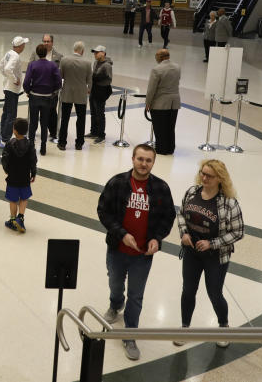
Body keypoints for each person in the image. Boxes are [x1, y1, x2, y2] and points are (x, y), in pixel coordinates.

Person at [96, 144, 176, 362]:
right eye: (140, 159)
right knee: (115, 283)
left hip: (142, 256)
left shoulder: (161, 188)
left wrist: (156, 239)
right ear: (132, 159)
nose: (144, 164)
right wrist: (121, 234)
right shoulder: (117, 183)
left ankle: (130, 335)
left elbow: (168, 217)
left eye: (148, 160)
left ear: (153, 162)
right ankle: (115, 304)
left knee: (136, 295)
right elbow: (103, 211)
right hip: (117, 249)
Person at [174, 159, 244, 348]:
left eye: (209, 176)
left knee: (215, 293)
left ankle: (223, 326)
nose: (204, 177)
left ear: (220, 179)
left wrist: (212, 243)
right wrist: (184, 233)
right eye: (202, 173)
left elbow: (238, 232)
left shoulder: (229, 203)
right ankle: (185, 327)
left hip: (216, 258)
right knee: (188, 290)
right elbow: (181, 214)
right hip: (191, 253)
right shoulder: (191, 192)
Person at [23, 43, 62, 156]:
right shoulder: (53, 65)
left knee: (33, 123)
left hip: (34, 96)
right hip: (47, 98)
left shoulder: (32, 65)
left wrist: (28, 91)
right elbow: (58, 82)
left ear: (37, 53)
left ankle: (31, 146)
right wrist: (53, 91)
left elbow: (26, 81)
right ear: (46, 53)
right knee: (44, 123)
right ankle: (43, 148)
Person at [2, 117, 37, 233]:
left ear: (14, 130)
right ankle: (20, 218)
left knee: (13, 199)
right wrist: (34, 172)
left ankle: (12, 219)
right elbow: (33, 160)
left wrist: (6, 169)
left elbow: (5, 159)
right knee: (24, 197)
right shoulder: (30, 144)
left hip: (12, 176)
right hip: (25, 176)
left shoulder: (9, 144)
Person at [145, 49, 181, 155]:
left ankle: (161, 149)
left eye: (156, 55)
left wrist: (148, 102)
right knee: (170, 126)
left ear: (160, 57)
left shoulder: (157, 69)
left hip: (160, 103)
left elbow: (151, 88)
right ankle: (170, 148)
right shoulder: (177, 67)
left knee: (160, 128)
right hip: (174, 102)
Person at [58, 40, 92, 151]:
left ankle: (62, 143)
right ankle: (79, 144)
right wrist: (89, 89)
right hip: (81, 94)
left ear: (74, 49)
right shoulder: (87, 63)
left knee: (65, 119)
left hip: (67, 92)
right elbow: (89, 80)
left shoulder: (64, 60)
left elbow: (60, 76)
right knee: (81, 120)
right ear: (82, 51)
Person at [30, 34, 63, 142]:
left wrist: (56, 89)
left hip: (52, 92)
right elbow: (30, 71)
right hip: (36, 91)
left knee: (51, 112)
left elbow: (60, 74)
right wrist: (29, 88)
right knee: (34, 114)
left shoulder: (58, 56)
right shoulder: (35, 54)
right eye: (44, 41)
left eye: (48, 41)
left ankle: (53, 133)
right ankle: (32, 134)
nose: (46, 43)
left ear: (52, 42)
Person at [0, 36, 28, 144]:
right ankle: (5, 139)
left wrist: (6, 77)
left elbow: (1, 65)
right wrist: (14, 79)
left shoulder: (9, 53)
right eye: (23, 44)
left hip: (7, 87)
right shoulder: (15, 56)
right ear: (20, 46)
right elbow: (7, 69)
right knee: (11, 115)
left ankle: (3, 135)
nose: (24, 46)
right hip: (12, 89)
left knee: (6, 113)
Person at [88, 45, 113, 144]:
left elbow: (108, 79)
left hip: (101, 90)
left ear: (103, 53)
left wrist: (95, 77)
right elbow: (93, 76)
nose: (95, 54)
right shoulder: (95, 63)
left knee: (100, 113)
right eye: (94, 52)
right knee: (93, 112)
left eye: (97, 52)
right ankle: (93, 131)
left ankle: (101, 134)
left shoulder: (107, 65)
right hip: (94, 89)